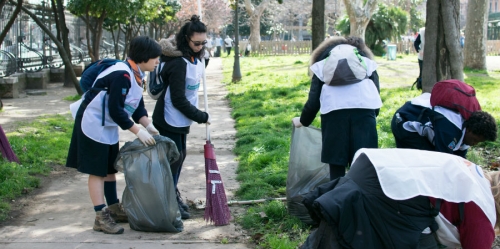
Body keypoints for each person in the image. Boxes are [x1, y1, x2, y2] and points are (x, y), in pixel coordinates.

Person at [300, 148, 500, 249]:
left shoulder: (474, 173)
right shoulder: (483, 213)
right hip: (387, 192)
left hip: (371, 169)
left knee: (333, 235)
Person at [66, 36, 162, 234]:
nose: (157, 62)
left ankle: (113, 207)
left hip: (107, 125)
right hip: (93, 124)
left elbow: (136, 105)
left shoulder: (136, 74)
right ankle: (100, 216)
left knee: (110, 168)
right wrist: (138, 131)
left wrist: (148, 125)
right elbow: (116, 109)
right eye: (155, 58)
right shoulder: (122, 74)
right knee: (97, 170)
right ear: (144, 57)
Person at [292, 36, 382, 181]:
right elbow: (375, 91)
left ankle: (336, 198)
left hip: (333, 115)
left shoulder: (322, 63)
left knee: (336, 163)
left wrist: (303, 121)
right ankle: (359, 199)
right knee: (363, 163)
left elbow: (314, 100)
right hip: (364, 112)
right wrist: (372, 114)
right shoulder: (366, 61)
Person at [153, 15, 211, 220]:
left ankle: (172, 194)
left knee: (180, 156)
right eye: (196, 43)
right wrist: (200, 116)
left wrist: (204, 56)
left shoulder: (198, 58)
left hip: (182, 117)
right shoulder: (177, 63)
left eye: (204, 42)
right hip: (169, 117)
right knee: (173, 159)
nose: (200, 46)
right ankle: (166, 200)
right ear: (186, 39)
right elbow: (177, 99)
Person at [391, 92, 497, 158]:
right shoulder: (451, 130)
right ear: (469, 130)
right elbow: (444, 160)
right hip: (404, 121)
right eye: (475, 140)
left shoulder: (467, 131)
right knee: (423, 161)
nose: (474, 144)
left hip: (422, 119)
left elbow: (460, 159)